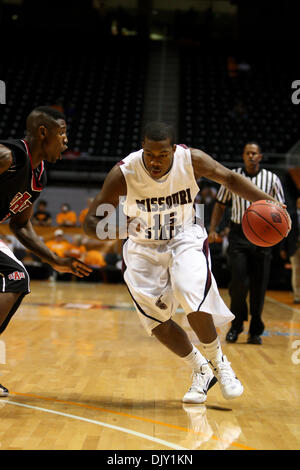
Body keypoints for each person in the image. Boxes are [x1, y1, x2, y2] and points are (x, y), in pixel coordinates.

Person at [84, 122, 289, 404]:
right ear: (141, 148)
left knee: (189, 290)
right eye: (149, 154)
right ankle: (200, 370)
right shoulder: (124, 172)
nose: (155, 161)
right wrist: (118, 226)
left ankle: (220, 364)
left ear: (174, 150)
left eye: (162, 155)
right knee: (156, 321)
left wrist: (270, 203)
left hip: (184, 235)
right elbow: (89, 221)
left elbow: (229, 179)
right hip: (142, 244)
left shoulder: (191, 159)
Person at [0, 106, 92, 396]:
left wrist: (55, 261)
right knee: (16, 276)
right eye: (62, 133)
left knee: (16, 278)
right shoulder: (7, 157)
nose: (66, 141)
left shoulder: (37, 175)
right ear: (43, 132)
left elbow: (21, 226)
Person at [208, 142, 286, 345]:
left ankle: (255, 329)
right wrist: (213, 229)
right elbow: (220, 204)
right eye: (247, 153)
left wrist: (282, 232)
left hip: (264, 237)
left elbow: (281, 210)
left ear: (260, 156)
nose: (251, 156)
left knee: (259, 285)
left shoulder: (272, 179)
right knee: (238, 283)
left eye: (254, 153)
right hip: (239, 234)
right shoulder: (232, 177)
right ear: (243, 156)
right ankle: (236, 325)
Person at [280, 196, 300, 304]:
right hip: (294, 248)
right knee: (296, 271)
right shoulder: (291, 215)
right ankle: (297, 296)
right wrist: (283, 248)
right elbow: (285, 233)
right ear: (297, 203)